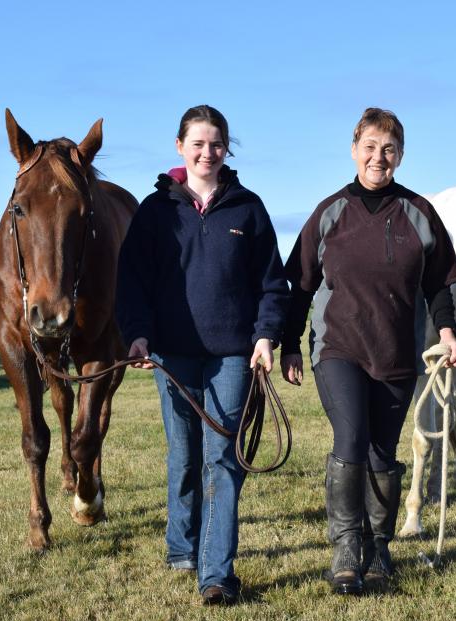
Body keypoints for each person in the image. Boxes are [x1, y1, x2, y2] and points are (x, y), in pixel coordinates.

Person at [280, 108, 456, 595]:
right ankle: (345, 549)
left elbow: (440, 286)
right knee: (352, 438)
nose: (378, 157)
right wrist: (290, 345)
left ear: (400, 156)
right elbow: (299, 286)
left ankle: (378, 546)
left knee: (383, 452)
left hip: (398, 351)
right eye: (370, 146)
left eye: (388, 149)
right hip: (338, 346)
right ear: (353, 149)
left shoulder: (419, 213)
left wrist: (447, 333)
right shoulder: (329, 213)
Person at [115, 105, 289, 606]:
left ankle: (216, 574)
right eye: (198, 143)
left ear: (226, 149)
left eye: (216, 144)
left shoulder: (248, 208)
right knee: (184, 456)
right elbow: (132, 283)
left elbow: (271, 284)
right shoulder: (155, 211)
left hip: (232, 355)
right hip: (171, 353)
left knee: (222, 459)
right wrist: (139, 334)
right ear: (179, 147)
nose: (208, 152)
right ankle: (180, 547)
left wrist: (264, 336)